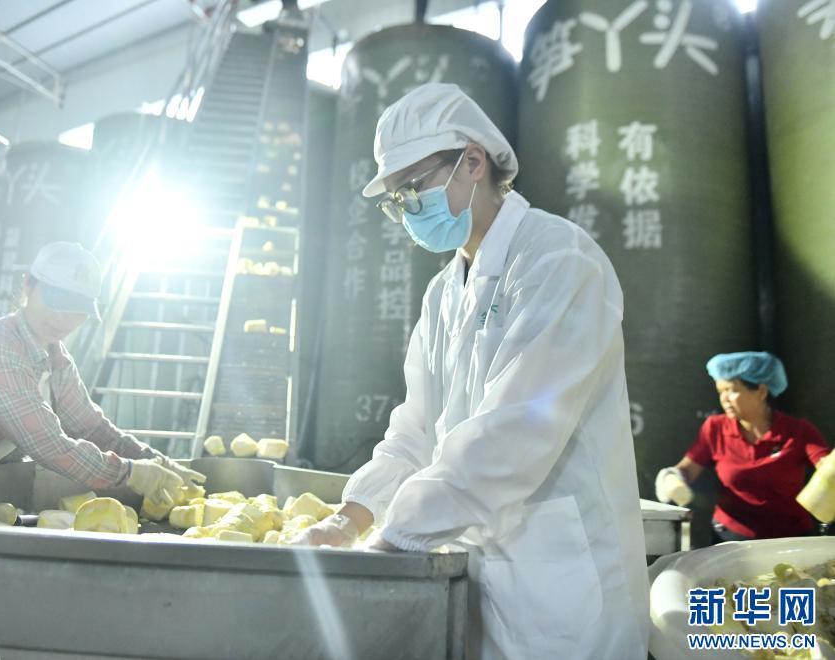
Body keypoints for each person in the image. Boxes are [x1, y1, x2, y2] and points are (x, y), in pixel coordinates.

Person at [291, 83, 649, 659]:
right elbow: (414, 435)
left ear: (473, 162)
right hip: (480, 580)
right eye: (396, 199)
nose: (408, 209)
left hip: (565, 593)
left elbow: (514, 431)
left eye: (415, 186)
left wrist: (394, 536)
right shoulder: (442, 294)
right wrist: (348, 520)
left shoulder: (557, 259)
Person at [0, 242, 202, 504]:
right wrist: (132, 472)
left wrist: (158, 462)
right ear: (28, 285)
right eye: (57, 302)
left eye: (77, 309)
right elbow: (50, 446)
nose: (64, 319)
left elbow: (91, 427)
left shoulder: (56, 357)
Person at [656, 351, 830, 542]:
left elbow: (826, 465)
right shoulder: (715, 428)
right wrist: (671, 478)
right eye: (720, 391)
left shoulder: (799, 430)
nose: (724, 399)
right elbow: (686, 470)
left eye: (731, 390)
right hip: (730, 540)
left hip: (791, 540)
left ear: (762, 391)